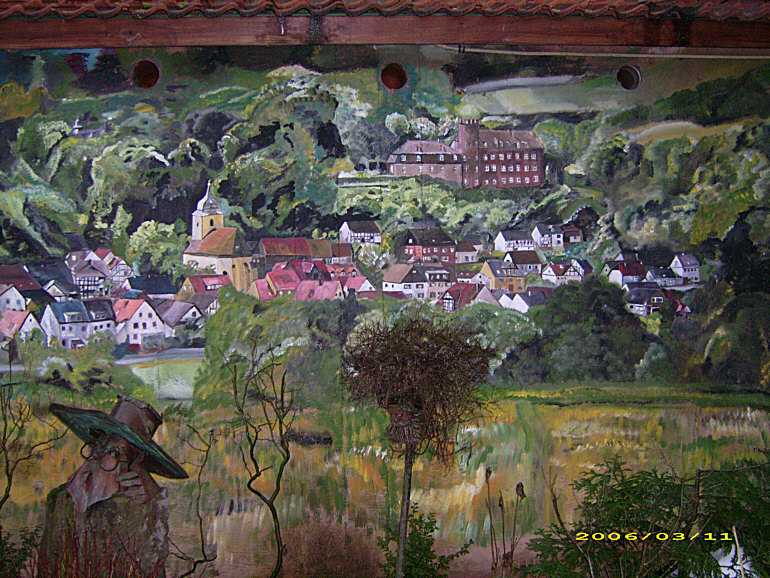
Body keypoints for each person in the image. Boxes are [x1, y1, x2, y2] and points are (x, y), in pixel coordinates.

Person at [39, 395, 187, 577]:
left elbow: (150, 563)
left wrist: (152, 501)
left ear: (133, 463)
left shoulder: (138, 508)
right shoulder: (62, 498)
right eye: (98, 445)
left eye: (114, 451)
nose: (97, 455)